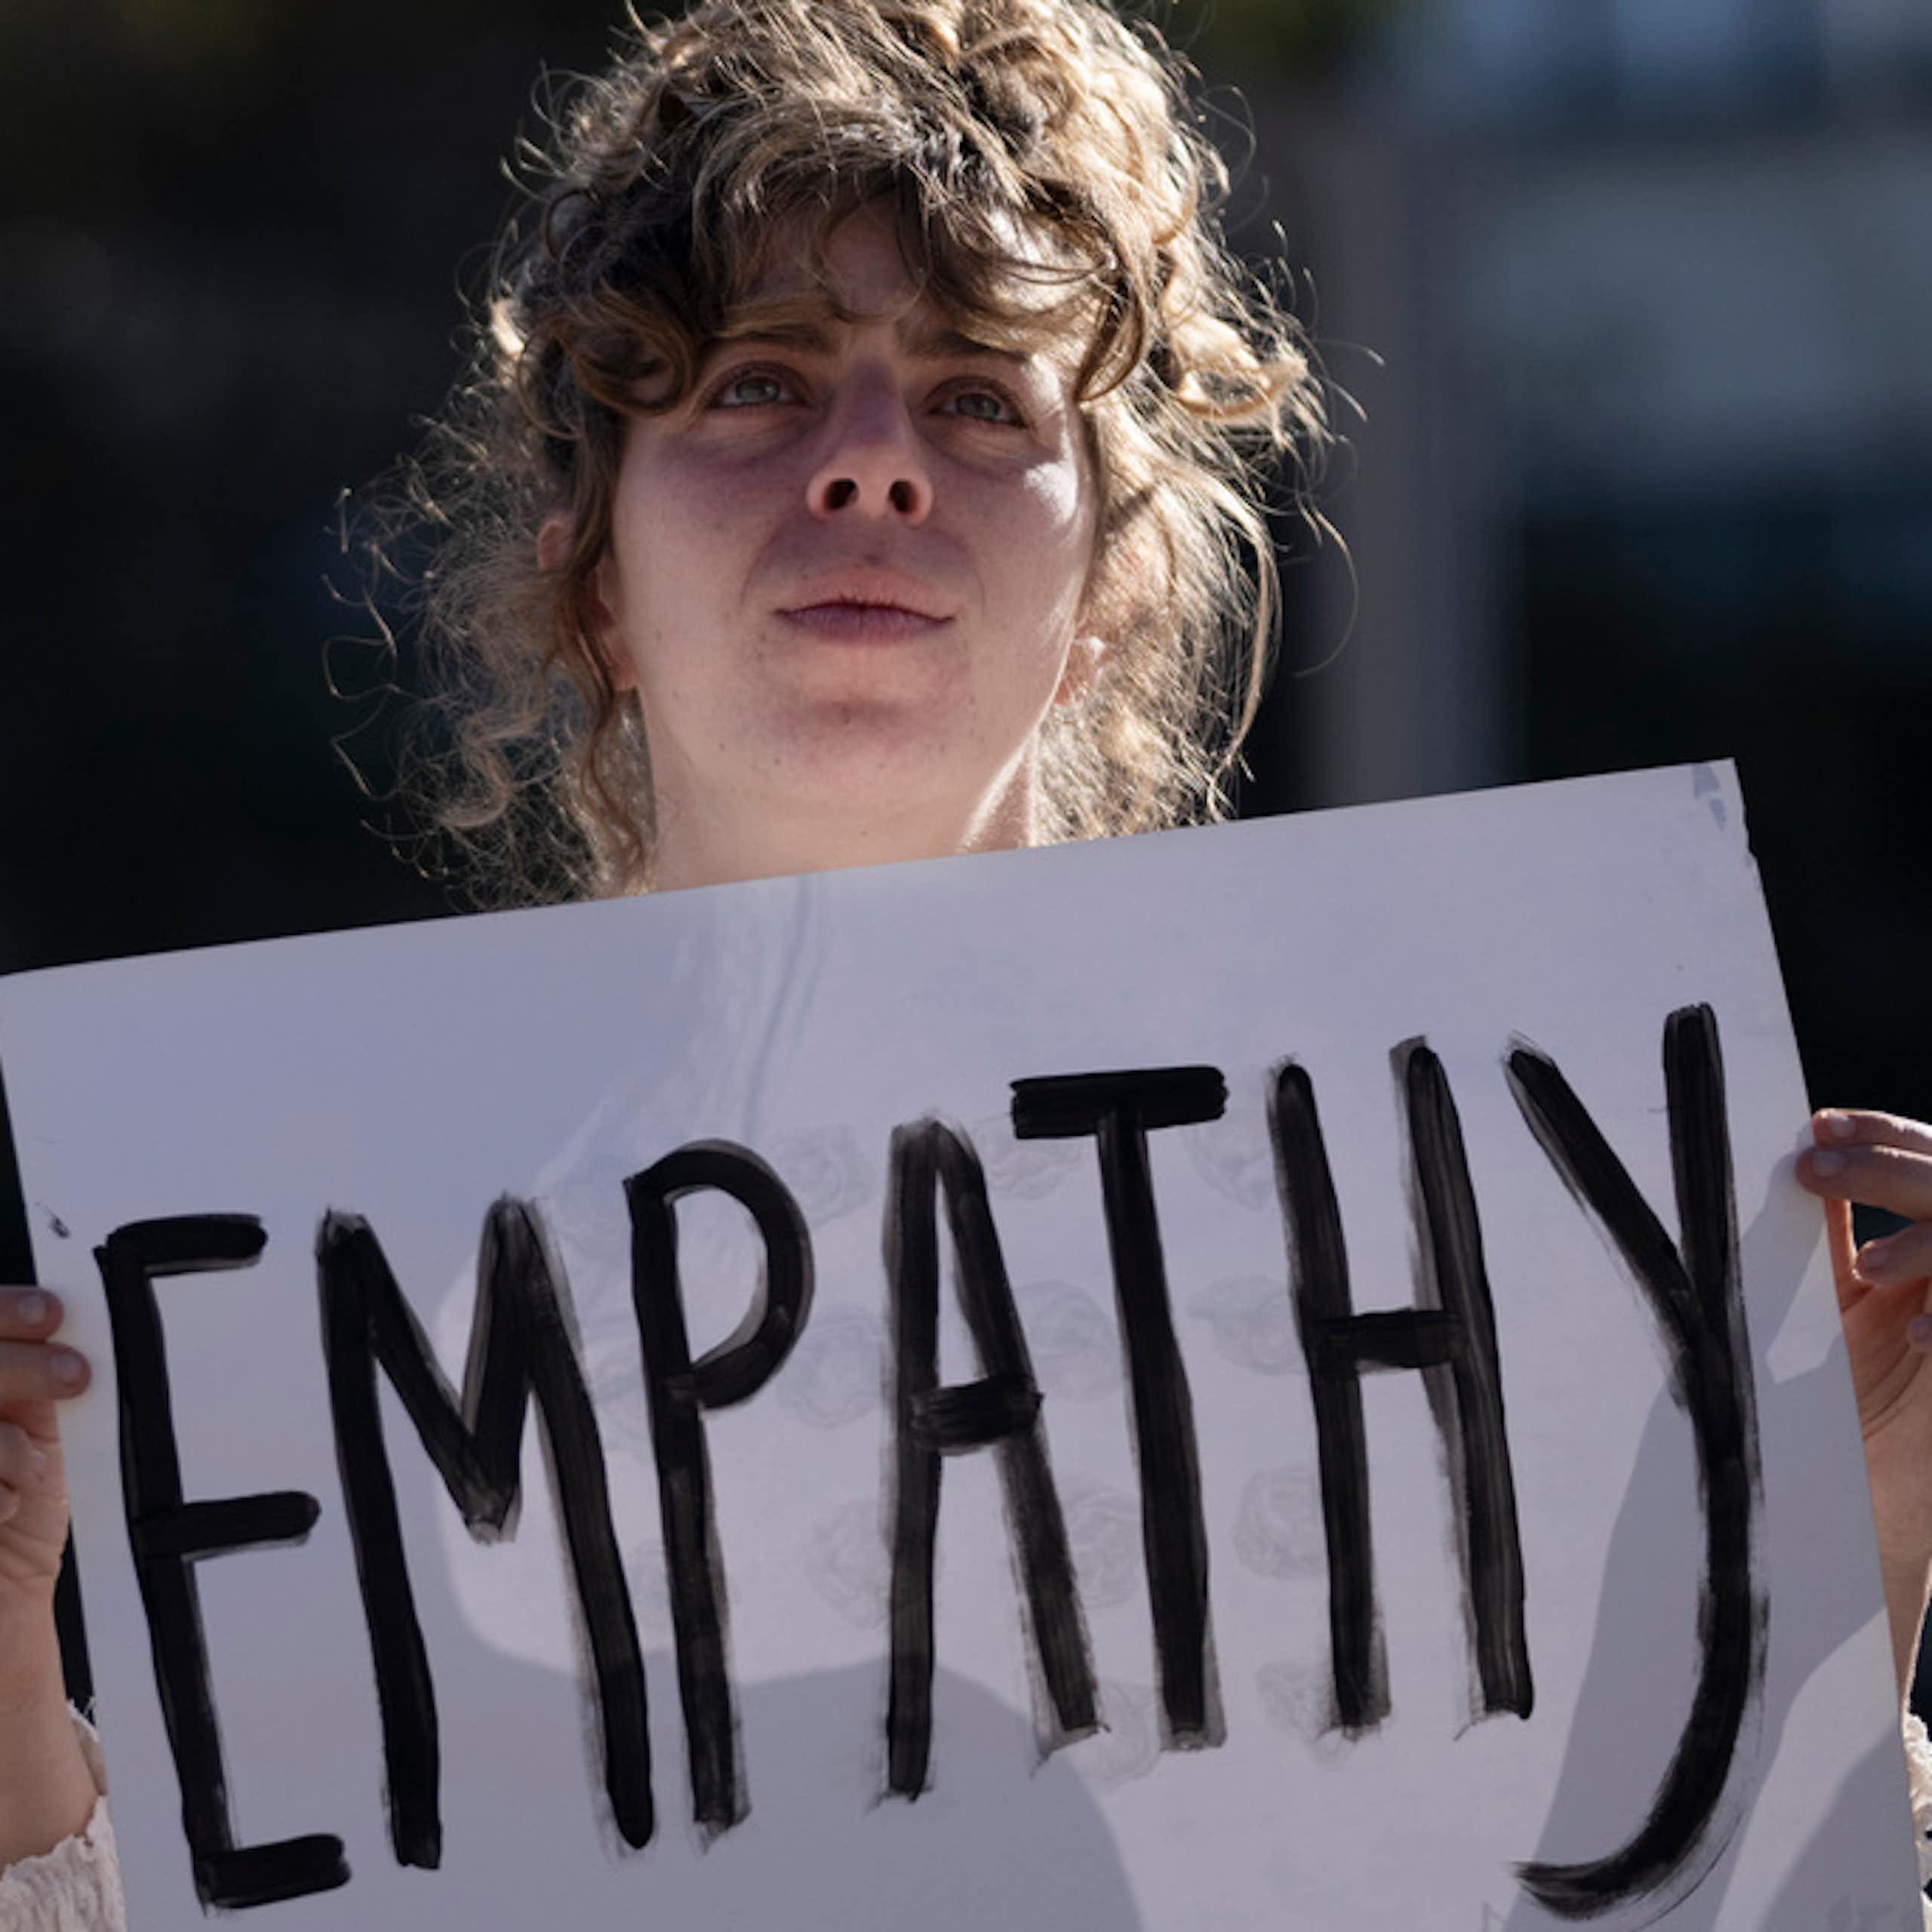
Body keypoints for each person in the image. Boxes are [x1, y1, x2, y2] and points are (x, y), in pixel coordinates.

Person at [2, 0, 1929, 1923]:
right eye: (757, 382)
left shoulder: (1463, 1253)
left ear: (1107, 586)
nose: (869, 468)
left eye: (979, 396)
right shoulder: (322, 1288)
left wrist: (1840, 1554)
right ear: (592, 564)